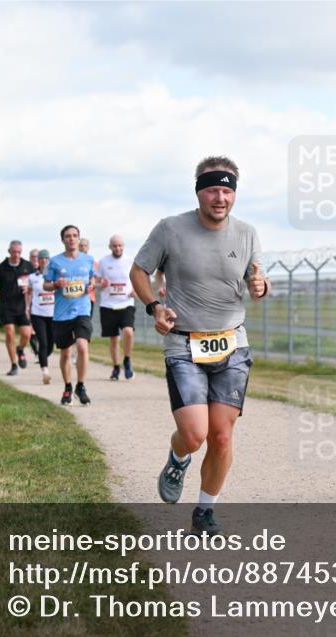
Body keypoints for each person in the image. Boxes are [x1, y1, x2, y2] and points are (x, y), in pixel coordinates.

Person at [131, 155, 270, 536]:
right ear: (199, 192)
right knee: (194, 434)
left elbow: (257, 279)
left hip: (232, 344)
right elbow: (139, 271)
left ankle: (205, 510)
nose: (220, 198)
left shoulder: (247, 233)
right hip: (183, 344)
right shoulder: (171, 229)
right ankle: (178, 457)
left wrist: (261, 287)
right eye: (212, 190)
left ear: (235, 194)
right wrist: (154, 306)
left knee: (222, 435)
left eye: (227, 190)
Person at [44, 225, 95, 406]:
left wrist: (92, 286)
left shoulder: (88, 259)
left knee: (82, 346)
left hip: (82, 310)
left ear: (79, 238)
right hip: (61, 313)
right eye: (68, 236)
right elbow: (46, 285)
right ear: (63, 240)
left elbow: (92, 278)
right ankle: (67, 387)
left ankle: (80, 386)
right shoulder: (55, 262)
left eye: (75, 236)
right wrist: (56, 284)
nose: (72, 239)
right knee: (65, 352)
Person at [0, 240, 34, 375]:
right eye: (14, 252)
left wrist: (29, 288)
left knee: (26, 334)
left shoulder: (27, 266)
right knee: (9, 333)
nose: (16, 255)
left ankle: (20, 349)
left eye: (19, 252)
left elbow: (36, 283)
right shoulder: (1, 267)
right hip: (6, 306)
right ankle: (14, 364)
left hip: (22, 306)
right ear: (9, 251)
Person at [97, 234, 137, 380]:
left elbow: (138, 278)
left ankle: (127, 359)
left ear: (123, 246)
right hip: (108, 305)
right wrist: (101, 285)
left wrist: (136, 290)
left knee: (128, 332)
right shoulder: (103, 261)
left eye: (120, 245)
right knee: (114, 339)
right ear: (110, 247)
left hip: (126, 303)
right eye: (115, 245)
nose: (118, 248)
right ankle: (115, 367)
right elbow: (96, 282)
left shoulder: (130, 261)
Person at [27, 249, 56, 384]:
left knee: (51, 343)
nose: (43, 261)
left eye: (46, 258)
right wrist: (27, 307)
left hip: (53, 314)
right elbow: (28, 293)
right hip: (37, 314)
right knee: (43, 342)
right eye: (41, 258)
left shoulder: (55, 276)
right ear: (38, 261)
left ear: (49, 260)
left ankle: (43, 356)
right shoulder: (33, 277)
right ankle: (45, 371)